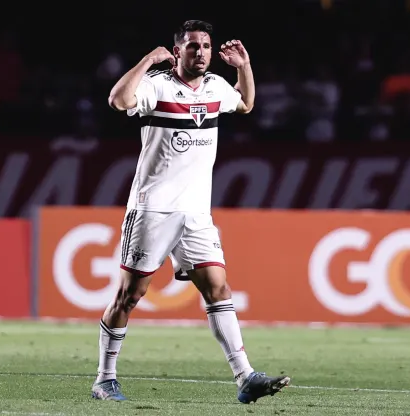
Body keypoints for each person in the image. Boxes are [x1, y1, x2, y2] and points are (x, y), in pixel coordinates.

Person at [91, 20, 290, 404]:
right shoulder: (158, 86)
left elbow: (246, 103)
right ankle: (105, 378)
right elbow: (118, 100)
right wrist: (149, 59)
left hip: (196, 215)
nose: (201, 52)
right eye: (193, 46)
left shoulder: (217, 86)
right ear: (178, 50)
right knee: (130, 296)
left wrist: (243, 67)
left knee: (219, 288)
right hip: (153, 211)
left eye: (206, 46)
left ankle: (245, 377)